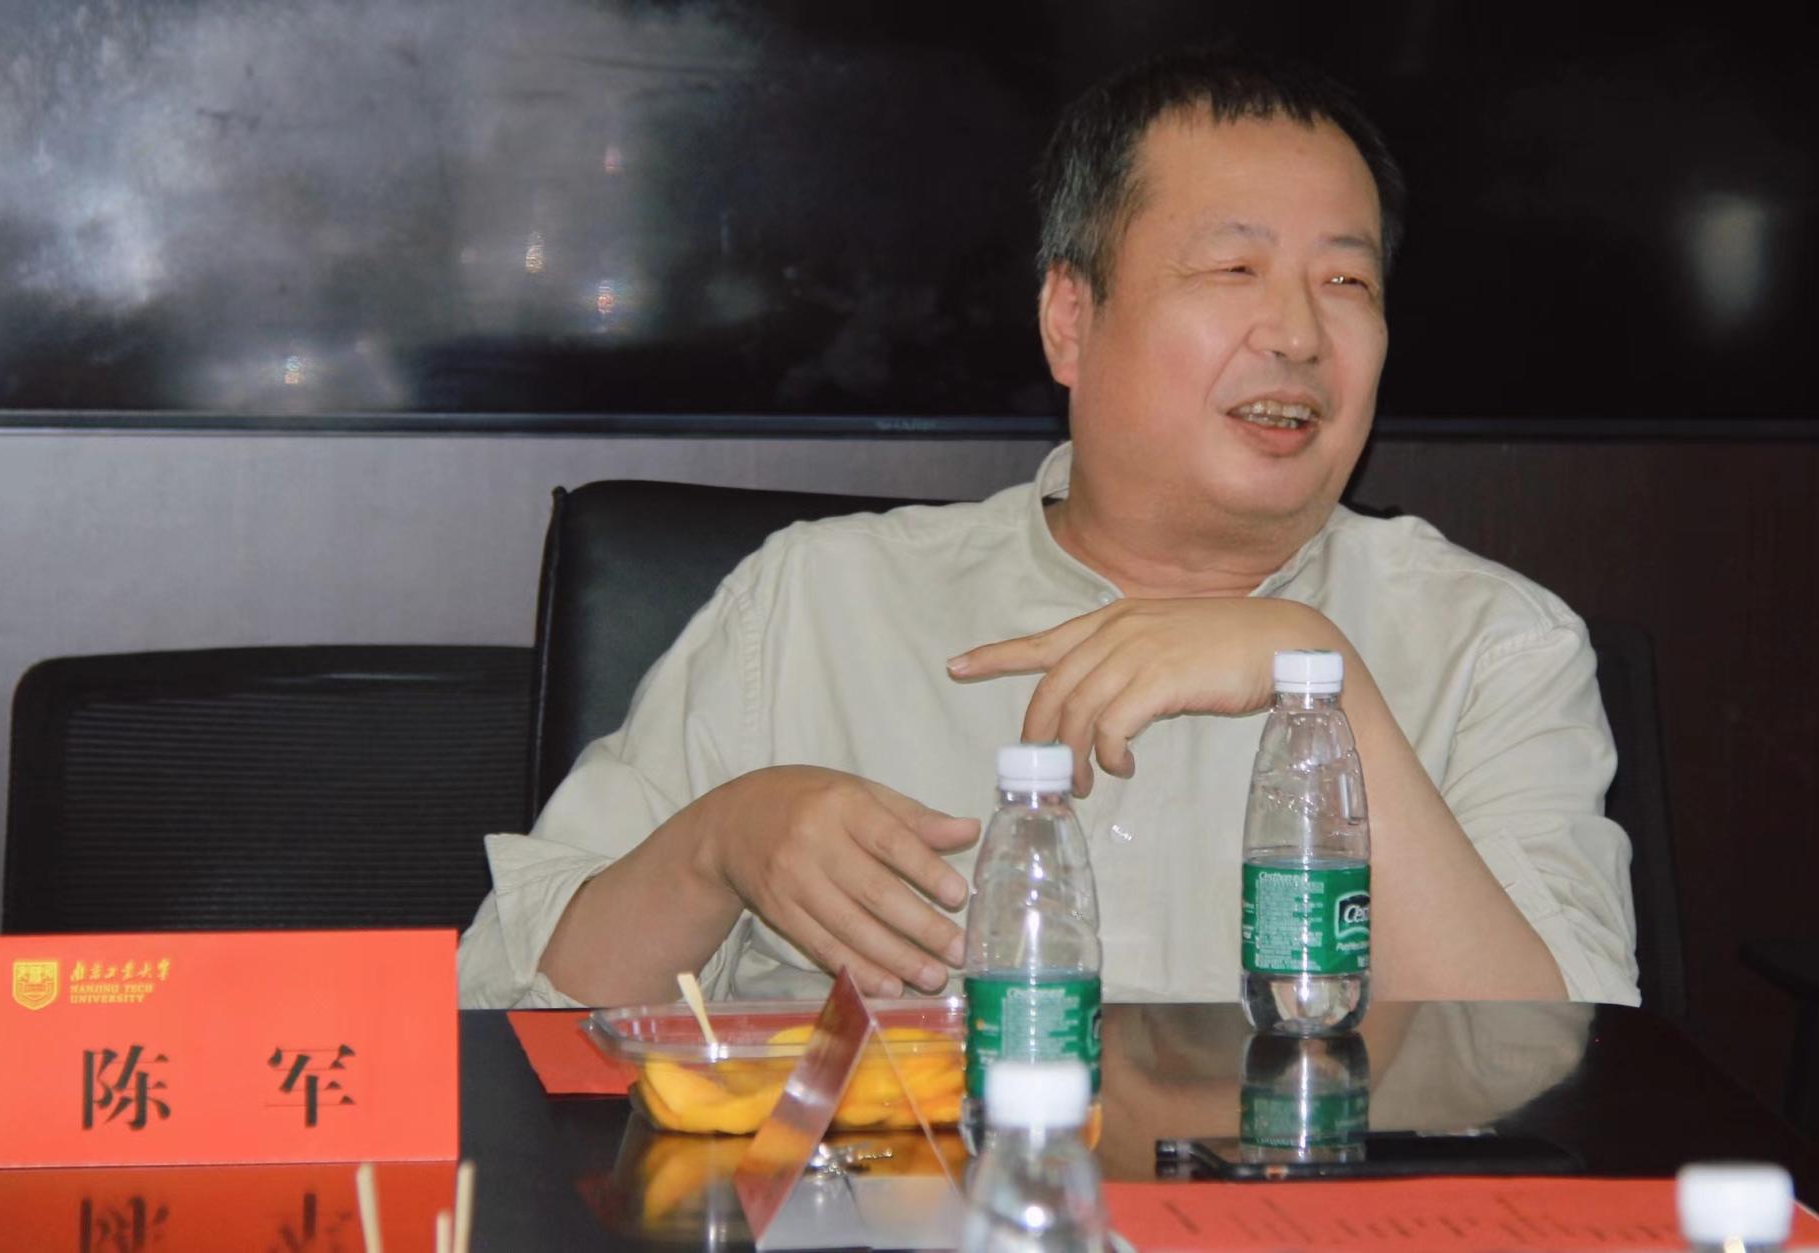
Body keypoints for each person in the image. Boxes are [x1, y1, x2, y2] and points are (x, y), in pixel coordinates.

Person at [458, 50, 1639, 1010]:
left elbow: (1575, 1067)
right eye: (1234, 267)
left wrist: (1321, 676)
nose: (1296, 333)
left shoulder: (1494, 644)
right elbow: (498, 1008)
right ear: (1071, 320)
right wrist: (718, 844)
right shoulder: (816, 606)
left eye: (1348, 284)